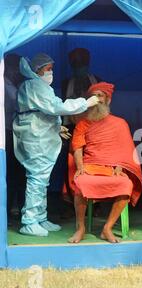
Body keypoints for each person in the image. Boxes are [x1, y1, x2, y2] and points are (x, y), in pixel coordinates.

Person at [13, 53, 99, 237]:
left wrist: (56, 126)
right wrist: (86, 102)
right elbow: (56, 106)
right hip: (36, 139)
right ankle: (30, 221)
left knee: (41, 180)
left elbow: (38, 111)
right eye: (48, 69)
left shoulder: (36, 85)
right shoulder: (35, 85)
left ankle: (40, 218)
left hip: (39, 135)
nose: (51, 72)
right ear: (37, 70)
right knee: (37, 179)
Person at [68, 82, 142, 244]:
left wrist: (119, 166)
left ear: (108, 100)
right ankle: (80, 228)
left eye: (100, 96)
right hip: (89, 167)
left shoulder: (120, 123)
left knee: (126, 184)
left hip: (111, 168)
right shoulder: (82, 123)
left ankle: (107, 228)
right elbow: (77, 148)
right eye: (93, 96)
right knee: (81, 182)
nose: (97, 99)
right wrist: (80, 167)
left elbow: (125, 149)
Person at [58, 48, 102, 217]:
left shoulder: (96, 80)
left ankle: (95, 206)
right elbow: (63, 106)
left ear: (87, 64)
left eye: (82, 64)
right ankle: (72, 205)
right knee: (71, 165)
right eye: (76, 65)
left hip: (93, 128)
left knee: (93, 162)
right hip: (71, 127)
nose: (79, 67)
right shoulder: (66, 83)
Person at [4, 54, 26, 220]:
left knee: (17, 172)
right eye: (16, 68)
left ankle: (16, 207)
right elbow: (18, 102)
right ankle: (12, 208)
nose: (18, 72)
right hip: (8, 133)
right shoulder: (6, 84)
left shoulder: (12, 84)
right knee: (13, 172)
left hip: (13, 132)